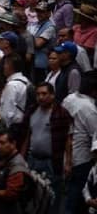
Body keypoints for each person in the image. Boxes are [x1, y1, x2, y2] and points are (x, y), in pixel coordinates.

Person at [63, 71, 97, 214]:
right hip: (82, 159)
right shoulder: (90, 109)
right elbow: (95, 137)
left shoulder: (69, 99)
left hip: (67, 157)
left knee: (67, 198)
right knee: (76, 201)